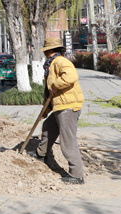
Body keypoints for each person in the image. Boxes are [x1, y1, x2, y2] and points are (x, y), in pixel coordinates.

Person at [34, 37, 85, 184]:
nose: (44, 53)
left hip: (68, 107)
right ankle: (41, 154)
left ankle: (77, 175)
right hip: (60, 106)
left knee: (67, 141)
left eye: (45, 51)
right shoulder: (51, 64)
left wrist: (56, 84)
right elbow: (50, 93)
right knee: (48, 127)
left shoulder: (60, 61)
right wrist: (46, 110)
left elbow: (71, 76)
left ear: (49, 50)